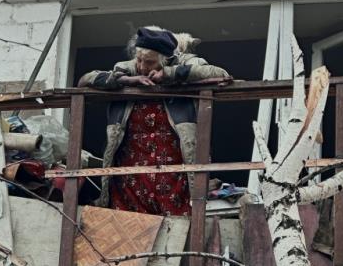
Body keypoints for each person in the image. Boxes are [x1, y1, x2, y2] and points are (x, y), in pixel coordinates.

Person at [78, 26, 231, 216]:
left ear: (164, 59)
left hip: (174, 171)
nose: (142, 67)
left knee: (175, 227)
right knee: (129, 226)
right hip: (130, 172)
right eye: (139, 60)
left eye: (149, 62)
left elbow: (220, 74)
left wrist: (169, 75)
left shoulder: (185, 63)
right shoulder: (126, 68)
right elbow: (85, 80)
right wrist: (126, 80)